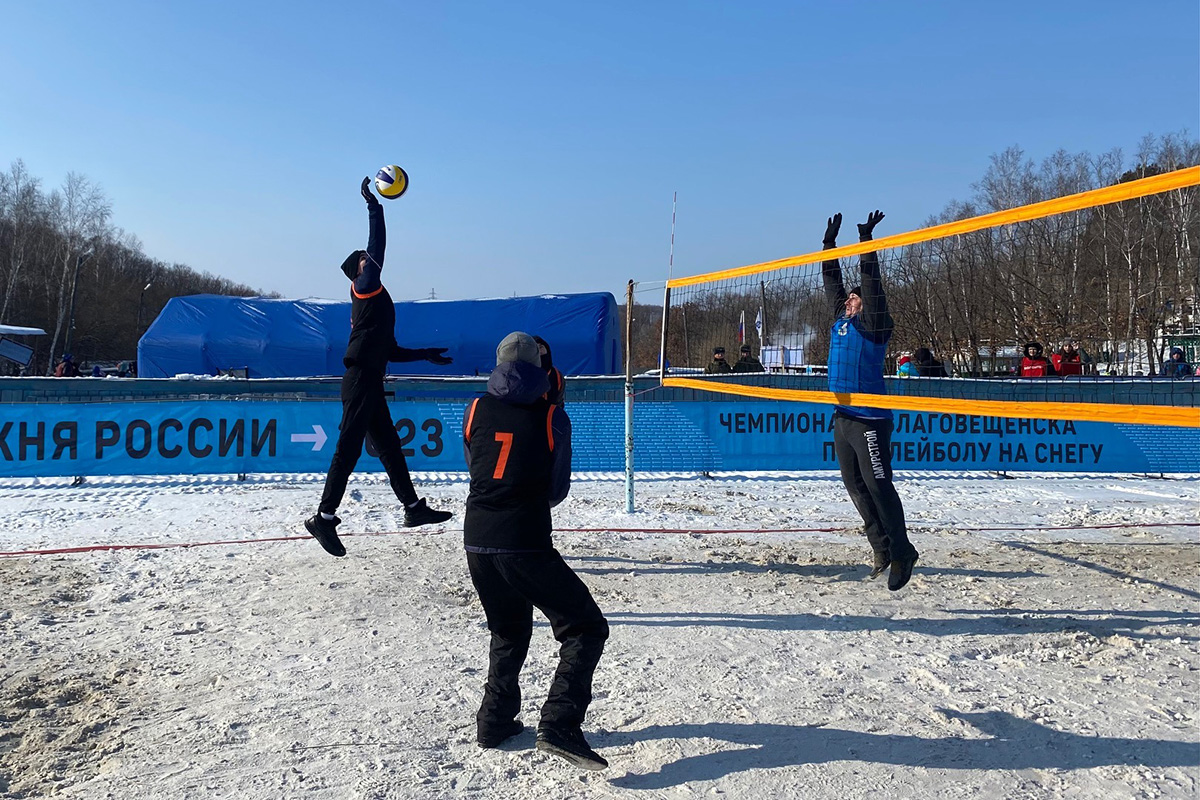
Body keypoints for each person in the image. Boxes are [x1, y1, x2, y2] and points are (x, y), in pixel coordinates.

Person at [462, 331, 609, 770]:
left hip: (476, 537)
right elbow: (555, 491)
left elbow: (477, 464)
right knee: (585, 627)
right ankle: (560, 723)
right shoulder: (552, 418)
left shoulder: (475, 407)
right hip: (523, 539)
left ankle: (495, 721)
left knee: (508, 629)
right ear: (544, 371)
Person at [304, 178, 454, 557]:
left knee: (388, 445)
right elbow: (377, 247)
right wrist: (375, 207)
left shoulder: (377, 301)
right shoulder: (364, 287)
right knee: (348, 449)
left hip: (369, 378)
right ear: (357, 272)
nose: (369, 260)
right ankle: (322, 518)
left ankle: (413, 508)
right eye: (363, 260)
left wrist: (426, 354)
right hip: (359, 381)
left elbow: (391, 351)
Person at [821, 210, 919, 591]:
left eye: (855, 298)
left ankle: (902, 551)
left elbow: (871, 285)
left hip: (870, 419)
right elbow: (832, 283)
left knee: (879, 486)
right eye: (849, 298)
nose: (850, 299)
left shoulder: (876, 325)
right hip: (843, 415)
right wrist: (828, 246)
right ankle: (881, 547)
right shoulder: (839, 319)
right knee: (855, 485)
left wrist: (866, 242)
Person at [532, 335, 566, 406]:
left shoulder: (557, 376)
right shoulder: (524, 374)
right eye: (535, 348)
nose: (539, 351)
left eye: (540, 347)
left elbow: (559, 401)